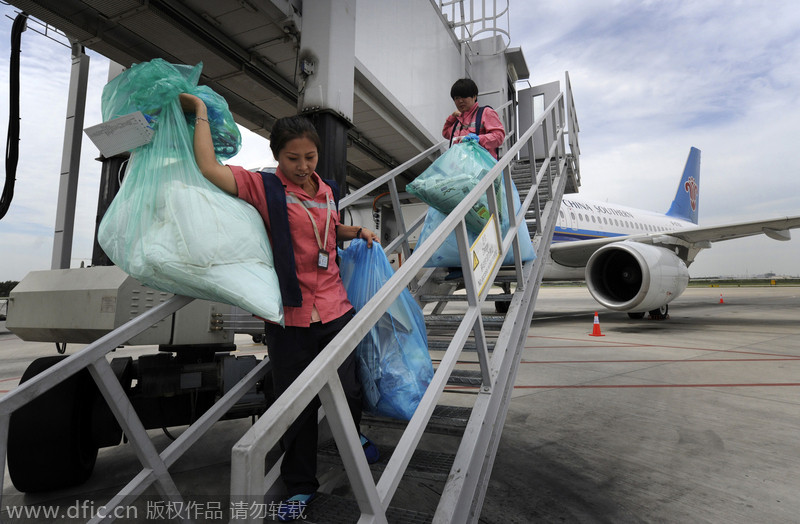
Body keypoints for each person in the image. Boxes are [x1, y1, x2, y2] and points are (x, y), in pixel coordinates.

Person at [179, 93, 380, 521]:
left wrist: (355, 230)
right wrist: (199, 114)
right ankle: (300, 486)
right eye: (294, 159)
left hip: (335, 308)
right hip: (289, 319)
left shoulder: (327, 189)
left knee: (350, 388)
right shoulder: (264, 186)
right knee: (296, 406)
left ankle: (354, 437)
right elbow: (209, 169)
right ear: (276, 156)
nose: (304, 166)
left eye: (310, 157)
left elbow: (327, 231)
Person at [441, 78, 506, 159]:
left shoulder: (486, 113)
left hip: (483, 168)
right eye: (457, 98)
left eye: (464, 96)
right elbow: (445, 133)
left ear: (474, 96)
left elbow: (499, 137)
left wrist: (478, 139)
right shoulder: (457, 122)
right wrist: (452, 117)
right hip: (460, 168)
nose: (460, 101)